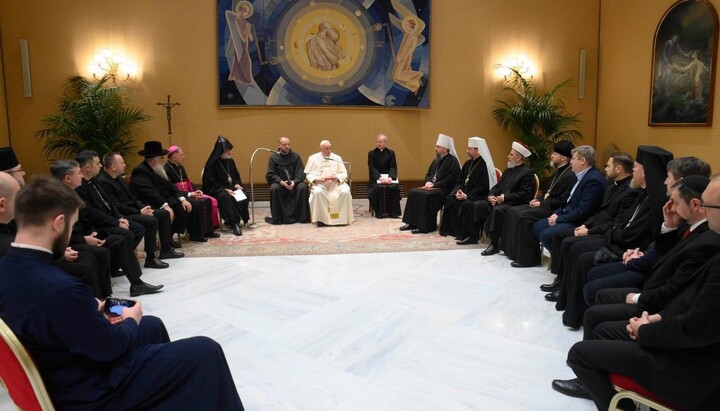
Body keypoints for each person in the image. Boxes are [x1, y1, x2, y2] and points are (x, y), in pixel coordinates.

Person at [0, 176, 245, 410]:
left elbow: (59, 316)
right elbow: (110, 347)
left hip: (59, 366)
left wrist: (93, 309)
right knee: (205, 350)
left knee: (152, 326)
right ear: (58, 223)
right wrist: (130, 318)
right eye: (72, 225)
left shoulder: (9, 268)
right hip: (90, 391)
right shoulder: (58, 287)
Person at [564, 174, 720, 410]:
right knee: (600, 322)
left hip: (691, 367)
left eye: (707, 206)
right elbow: (693, 302)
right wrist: (657, 318)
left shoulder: (712, 244)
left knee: (579, 354)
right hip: (679, 333)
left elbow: (695, 327)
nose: (704, 213)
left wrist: (646, 329)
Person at [554, 146, 674, 329]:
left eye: (636, 167)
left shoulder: (656, 203)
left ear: (646, 172)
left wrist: (610, 234)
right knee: (575, 248)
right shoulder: (643, 194)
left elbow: (634, 235)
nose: (633, 170)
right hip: (618, 240)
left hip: (626, 248)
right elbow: (623, 221)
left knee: (581, 254)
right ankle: (569, 306)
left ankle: (576, 316)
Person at [52, 159, 162, 298]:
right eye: (78, 173)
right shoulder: (57, 199)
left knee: (120, 240)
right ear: (68, 178)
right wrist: (85, 238)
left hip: (85, 233)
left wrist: (91, 231)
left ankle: (135, 284)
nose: (81, 176)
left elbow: (90, 214)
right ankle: (104, 296)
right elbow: (61, 230)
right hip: (71, 242)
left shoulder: (73, 192)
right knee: (106, 248)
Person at [542, 152, 637, 293]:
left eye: (608, 166)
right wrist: (586, 224)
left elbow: (615, 222)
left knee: (570, 244)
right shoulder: (612, 186)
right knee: (559, 236)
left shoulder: (630, 192)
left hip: (604, 233)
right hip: (594, 226)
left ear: (618, 169)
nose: (605, 169)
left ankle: (567, 287)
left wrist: (589, 231)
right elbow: (600, 212)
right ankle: (560, 279)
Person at [499, 140, 577, 266]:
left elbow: (562, 200)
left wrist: (541, 204)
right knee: (513, 210)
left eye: (554, 153)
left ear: (563, 158)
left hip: (553, 210)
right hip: (546, 205)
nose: (551, 155)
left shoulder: (569, 175)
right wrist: (539, 199)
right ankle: (512, 251)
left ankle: (528, 259)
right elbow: (548, 193)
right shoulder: (558, 171)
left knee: (524, 217)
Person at [97, 152, 184, 262]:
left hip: (134, 210)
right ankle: (150, 257)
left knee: (163, 213)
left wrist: (143, 208)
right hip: (123, 215)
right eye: (122, 163)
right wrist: (139, 211)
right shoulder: (103, 182)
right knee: (151, 221)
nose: (125, 165)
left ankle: (166, 250)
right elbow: (115, 206)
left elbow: (133, 197)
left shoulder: (118, 178)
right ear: (113, 166)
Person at [530, 145, 608, 262]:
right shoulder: (581, 175)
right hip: (569, 214)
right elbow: (568, 200)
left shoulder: (593, 180)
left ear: (582, 161)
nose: (570, 162)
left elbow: (583, 212)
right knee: (538, 226)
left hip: (580, 221)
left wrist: (559, 219)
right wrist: (557, 214)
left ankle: (563, 263)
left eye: (573, 159)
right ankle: (560, 259)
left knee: (546, 234)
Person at [132, 141, 207, 242]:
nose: (163, 160)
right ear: (153, 160)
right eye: (161, 157)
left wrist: (183, 199)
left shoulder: (158, 168)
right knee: (177, 210)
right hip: (151, 202)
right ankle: (167, 240)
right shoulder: (140, 171)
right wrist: (165, 205)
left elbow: (170, 186)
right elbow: (150, 192)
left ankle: (172, 236)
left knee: (189, 205)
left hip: (166, 198)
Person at [479, 141, 536, 255]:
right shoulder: (507, 170)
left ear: (519, 158)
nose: (508, 157)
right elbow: (497, 187)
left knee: (498, 210)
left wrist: (504, 198)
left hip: (516, 203)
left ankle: (494, 244)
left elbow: (524, 194)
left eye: (511, 155)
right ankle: (478, 235)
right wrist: (491, 195)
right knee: (482, 204)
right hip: (502, 201)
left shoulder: (527, 173)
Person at [400, 133, 460, 234]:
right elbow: (428, 174)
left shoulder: (453, 162)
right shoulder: (436, 160)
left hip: (444, 191)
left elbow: (450, 179)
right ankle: (412, 222)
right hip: (431, 187)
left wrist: (435, 185)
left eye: (438, 147)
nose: (435, 148)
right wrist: (428, 181)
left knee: (426, 196)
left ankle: (425, 226)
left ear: (445, 149)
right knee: (413, 192)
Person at [439, 137, 490, 243]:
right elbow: (460, 181)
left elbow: (482, 187)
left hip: (478, 196)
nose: (467, 151)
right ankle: (452, 230)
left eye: (469, 149)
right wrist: (458, 191)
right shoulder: (468, 163)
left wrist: (466, 195)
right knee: (450, 198)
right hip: (464, 193)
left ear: (477, 150)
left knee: (467, 204)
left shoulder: (484, 166)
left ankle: (469, 235)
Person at [165, 145, 220, 238]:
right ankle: (196, 234)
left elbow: (188, 182)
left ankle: (207, 231)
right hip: (177, 196)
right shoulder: (165, 169)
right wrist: (189, 194)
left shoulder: (180, 167)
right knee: (196, 204)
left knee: (206, 201)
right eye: (181, 155)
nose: (184, 157)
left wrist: (195, 191)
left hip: (186, 194)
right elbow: (171, 189)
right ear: (174, 156)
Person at [203, 136, 250, 236]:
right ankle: (234, 223)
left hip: (232, 188)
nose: (230, 152)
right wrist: (224, 189)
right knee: (225, 197)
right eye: (227, 150)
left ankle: (243, 219)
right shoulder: (212, 164)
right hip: (217, 191)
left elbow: (236, 175)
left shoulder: (230, 161)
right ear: (220, 151)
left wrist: (237, 184)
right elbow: (210, 183)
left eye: (229, 150)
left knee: (244, 194)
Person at [304, 140, 354, 226]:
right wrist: (317, 180)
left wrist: (337, 178)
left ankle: (341, 220)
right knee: (317, 192)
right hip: (321, 185)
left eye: (330, 148)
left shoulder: (337, 158)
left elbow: (343, 173)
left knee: (345, 191)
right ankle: (321, 220)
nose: (329, 151)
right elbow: (309, 174)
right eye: (326, 149)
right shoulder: (313, 158)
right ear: (321, 149)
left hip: (335, 185)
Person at [265, 136, 310, 224]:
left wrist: (294, 182)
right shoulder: (273, 157)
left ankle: (302, 217)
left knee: (303, 187)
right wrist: (281, 182)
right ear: (279, 145)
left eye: (288, 144)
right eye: (284, 144)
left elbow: (301, 172)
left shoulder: (296, 156)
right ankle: (278, 218)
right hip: (280, 183)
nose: (287, 146)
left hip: (294, 183)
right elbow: (271, 174)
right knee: (274, 188)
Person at [367, 133, 401, 218]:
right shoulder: (371, 153)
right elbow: (372, 168)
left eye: (380, 142)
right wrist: (379, 177)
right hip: (376, 179)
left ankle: (393, 212)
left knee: (393, 187)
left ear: (385, 143)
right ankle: (380, 212)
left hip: (388, 178)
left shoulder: (391, 153)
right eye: (377, 142)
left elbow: (393, 167)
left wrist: (390, 177)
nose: (378, 144)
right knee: (379, 188)